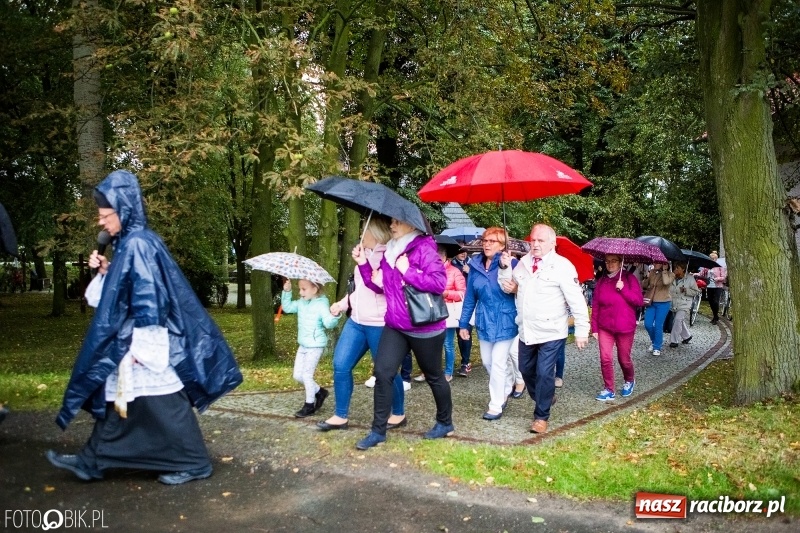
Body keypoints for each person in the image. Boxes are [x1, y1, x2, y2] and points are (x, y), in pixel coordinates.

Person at [47, 170, 242, 485]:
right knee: (127, 400)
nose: (101, 222)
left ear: (124, 208)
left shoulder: (138, 243)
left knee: (161, 402)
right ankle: (92, 460)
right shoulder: (130, 244)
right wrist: (106, 272)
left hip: (142, 340)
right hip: (133, 339)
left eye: (105, 215)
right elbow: (119, 297)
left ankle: (192, 462)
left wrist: (143, 348)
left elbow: (150, 297)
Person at [353, 217, 452, 449]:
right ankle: (378, 431)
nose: (392, 225)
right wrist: (363, 264)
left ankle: (445, 422)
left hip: (424, 327)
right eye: (392, 221)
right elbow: (380, 287)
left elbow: (439, 283)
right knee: (383, 373)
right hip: (395, 325)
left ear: (412, 225)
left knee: (434, 376)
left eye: (398, 222)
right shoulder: (390, 251)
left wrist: (408, 271)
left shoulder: (424, 249)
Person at [318, 216, 408, 431]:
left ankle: (398, 413)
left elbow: (383, 288)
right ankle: (340, 416)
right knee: (340, 365)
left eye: (364, 231)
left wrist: (365, 264)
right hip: (356, 322)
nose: (361, 234)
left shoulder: (391, 255)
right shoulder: (364, 253)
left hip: (380, 324)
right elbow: (360, 290)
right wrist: (342, 304)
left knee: (386, 372)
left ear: (375, 232)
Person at [498, 224, 589, 434]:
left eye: (540, 240)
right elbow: (507, 286)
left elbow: (576, 300)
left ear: (552, 243)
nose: (535, 244)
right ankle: (545, 396)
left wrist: (582, 329)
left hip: (552, 330)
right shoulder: (522, 263)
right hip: (526, 329)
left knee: (544, 372)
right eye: (533, 240)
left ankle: (541, 416)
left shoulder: (563, 266)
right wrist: (504, 268)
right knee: (525, 369)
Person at [459, 228, 519, 420]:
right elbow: (469, 298)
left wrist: (516, 287)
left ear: (502, 246)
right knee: (487, 361)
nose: (487, 244)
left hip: (506, 319)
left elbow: (525, 290)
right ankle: (508, 382)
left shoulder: (512, 263)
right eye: (485, 240)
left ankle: (496, 403)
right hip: (484, 320)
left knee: (499, 360)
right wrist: (463, 324)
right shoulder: (474, 266)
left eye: (493, 241)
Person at [281, 277, 341, 418]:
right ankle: (320, 392)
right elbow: (288, 307)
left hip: (315, 345)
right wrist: (287, 292)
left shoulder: (321, 304)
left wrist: (335, 315)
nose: (301, 292)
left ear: (315, 289)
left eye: (304, 289)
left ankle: (309, 405)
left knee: (307, 375)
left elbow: (329, 323)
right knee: (298, 375)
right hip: (303, 344)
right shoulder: (302, 303)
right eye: (299, 289)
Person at [590, 254, 644, 401]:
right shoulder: (602, 282)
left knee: (623, 359)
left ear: (621, 262)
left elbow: (638, 301)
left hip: (625, 327)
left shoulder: (629, 279)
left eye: (614, 261)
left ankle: (629, 380)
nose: (610, 264)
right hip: (605, 326)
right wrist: (594, 327)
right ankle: (609, 389)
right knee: (605, 358)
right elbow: (596, 306)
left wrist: (624, 289)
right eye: (607, 261)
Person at [439, 244, 466, 382]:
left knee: (447, 343)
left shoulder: (455, 272)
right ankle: (431, 371)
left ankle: (448, 372)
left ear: (444, 256)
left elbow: (462, 293)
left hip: (448, 312)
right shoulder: (428, 270)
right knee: (431, 343)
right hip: (432, 312)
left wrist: (447, 293)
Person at [640, 261, 674, 356]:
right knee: (648, 324)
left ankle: (657, 347)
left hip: (664, 302)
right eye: (654, 262)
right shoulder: (652, 272)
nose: (654, 264)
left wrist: (664, 270)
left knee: (658, 325)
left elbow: (666, 282)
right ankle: (654, 341)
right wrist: (646, 277)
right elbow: (644, 286)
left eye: (657, 262)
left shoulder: (671, 274)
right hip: (651, 302)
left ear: (664, 264)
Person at [451, 249, 473, 376]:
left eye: (465, 251)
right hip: (454, 304)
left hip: (468, 303)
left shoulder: (472, 264)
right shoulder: (452, 265)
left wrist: (469, 273)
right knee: (457, 335)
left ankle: (465, 363)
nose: (463, 253)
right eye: (460, 251)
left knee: (466, 332)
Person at [668, 262, 699, 347]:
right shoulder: (672, 277)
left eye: (677, 268)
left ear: (683, 269)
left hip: (684, 303)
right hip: (673, 303)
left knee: (677, 320)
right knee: (679, 321)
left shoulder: (690, 278)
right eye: (675, 268)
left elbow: (696, 292)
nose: (675, 270)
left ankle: (674, 341)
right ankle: (687, 336)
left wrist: (686, 290)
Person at [698, 251, 727, 325]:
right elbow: (702, 274)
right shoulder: (707, 266)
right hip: (709, 285)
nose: (712, 259)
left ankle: (715, 316)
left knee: (716, 301)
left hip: (718, 286)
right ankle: (715, 316)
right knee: (710, 301)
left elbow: (723, 277)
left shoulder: (719, 267)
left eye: (713, 258)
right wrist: (695, 274)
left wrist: (716, 279)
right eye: (711, 258)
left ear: (716, 259)